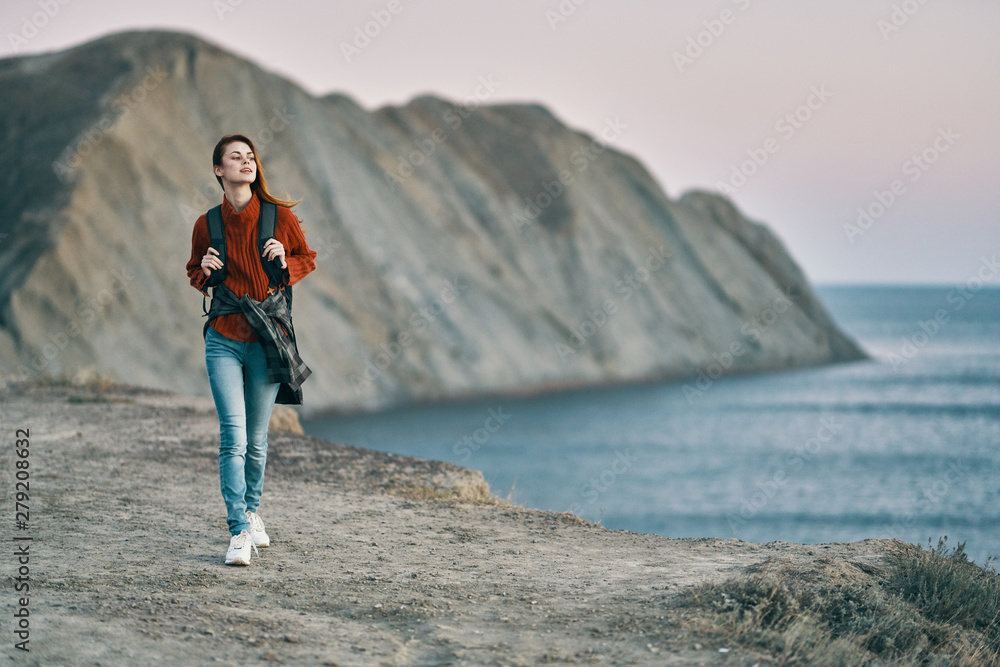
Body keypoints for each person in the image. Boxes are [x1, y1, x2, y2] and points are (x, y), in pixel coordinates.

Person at [185, 134, 316, 565]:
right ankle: (238, 530)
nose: (246, 162)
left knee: (257, 441)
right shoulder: (207, 223)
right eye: (235, 157)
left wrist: (286, 258)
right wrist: (203, 270)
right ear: (219, 170)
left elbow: (307, 257)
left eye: (250, 157)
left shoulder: (279, 217)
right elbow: (194, 271)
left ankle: (253, 510)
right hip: (223, 338)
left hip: (265, 342)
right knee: (233, 436)